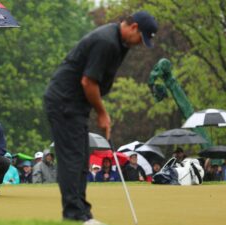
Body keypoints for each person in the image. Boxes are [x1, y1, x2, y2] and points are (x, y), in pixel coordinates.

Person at [43, 10, 158, 223]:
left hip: (76, 105)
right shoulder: (107, 42)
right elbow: (88, 82)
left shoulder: (121, 43)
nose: (140, 44)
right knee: (72, 160)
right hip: (64, 102)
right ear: (133, 28)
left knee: (81, 160)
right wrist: (102, 112)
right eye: (141, 39)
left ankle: (82, 212)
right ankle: (74, 215)